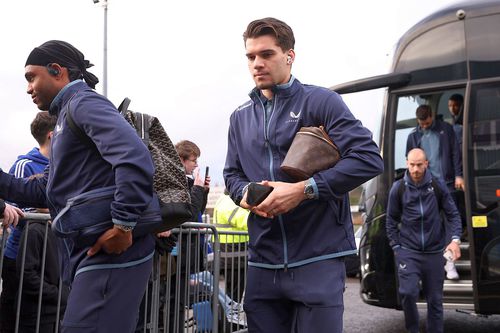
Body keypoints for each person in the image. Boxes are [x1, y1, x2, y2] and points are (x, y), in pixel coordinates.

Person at [223, 17, 383, 333]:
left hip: (318, 258)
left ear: (289, 56)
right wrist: (248, 196)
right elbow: (231, 175)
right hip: (262, 262)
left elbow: (368, 159)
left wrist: (303, 190)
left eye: (266, 54)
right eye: (251, 56)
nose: (257, 63)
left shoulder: (321, 101)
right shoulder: (239, 117)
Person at [0, 40, 157, 332]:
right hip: (90, 254)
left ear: (57, 71)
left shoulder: (83, 103)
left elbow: (134, 157)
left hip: (112, 250)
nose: (28, 88)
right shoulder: (64, 118)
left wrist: (123, 226)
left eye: (32, 77)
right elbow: (44, 191)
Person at [386, 148, 462, 333]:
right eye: (411, 165)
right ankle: (413, 330)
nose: (415, 169)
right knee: (408, 293)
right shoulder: (399, 188)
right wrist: (397, 247)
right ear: (407, 163)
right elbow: (390, 220)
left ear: (426, 164)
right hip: (408, 252)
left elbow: (453, 215)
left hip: (435, 253)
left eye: (419, 165)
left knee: (435, 300)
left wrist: (455, 240)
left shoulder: (437, 185)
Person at [0, 111, 56, 333]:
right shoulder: (25, 165)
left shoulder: (59, 166)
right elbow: (15, 209)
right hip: (19, 255)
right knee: (13, 313)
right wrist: (44, 209)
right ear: (53, 135)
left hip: (47, 256)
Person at [406, 104, 463, 280]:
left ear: (432, 116)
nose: (424, 125)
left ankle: (450, 263)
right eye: (421, 123)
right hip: (425, 186)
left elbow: (455, 153)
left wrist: (459, 175)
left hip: (446, 182)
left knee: (449, 221)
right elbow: (410, 162)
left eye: (427, 122)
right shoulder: (413, 136)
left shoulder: (446, 129)